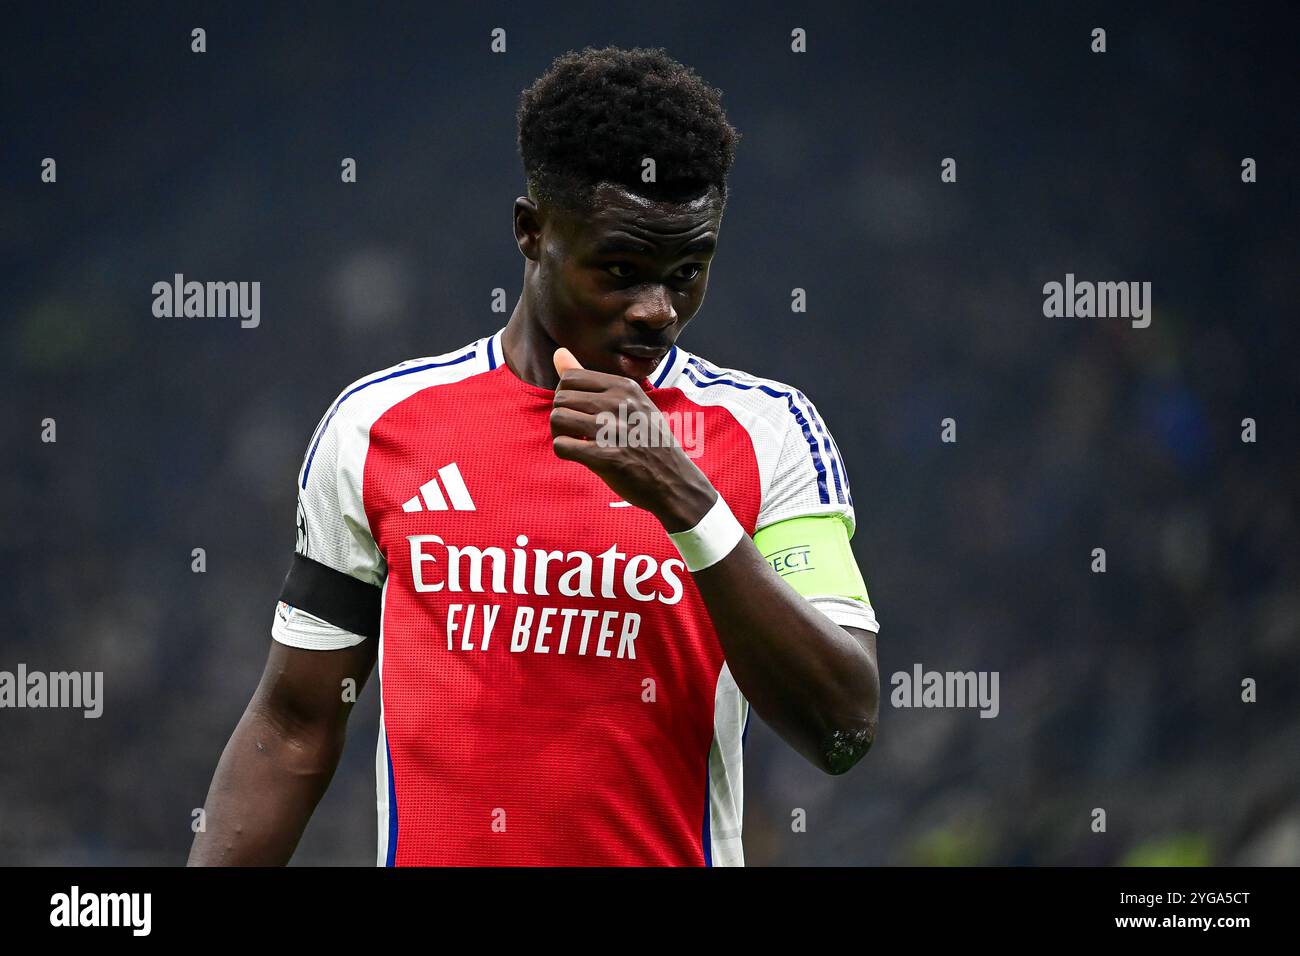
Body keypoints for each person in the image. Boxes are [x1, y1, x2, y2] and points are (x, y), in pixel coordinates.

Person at [189, 45, 880, 867]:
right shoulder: (379, 426)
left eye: (688, 272)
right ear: (532, 231)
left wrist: (688, 505)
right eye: (619, 270)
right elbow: (293, 724)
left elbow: (843, 727)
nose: (658, 310)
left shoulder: (766, 434)